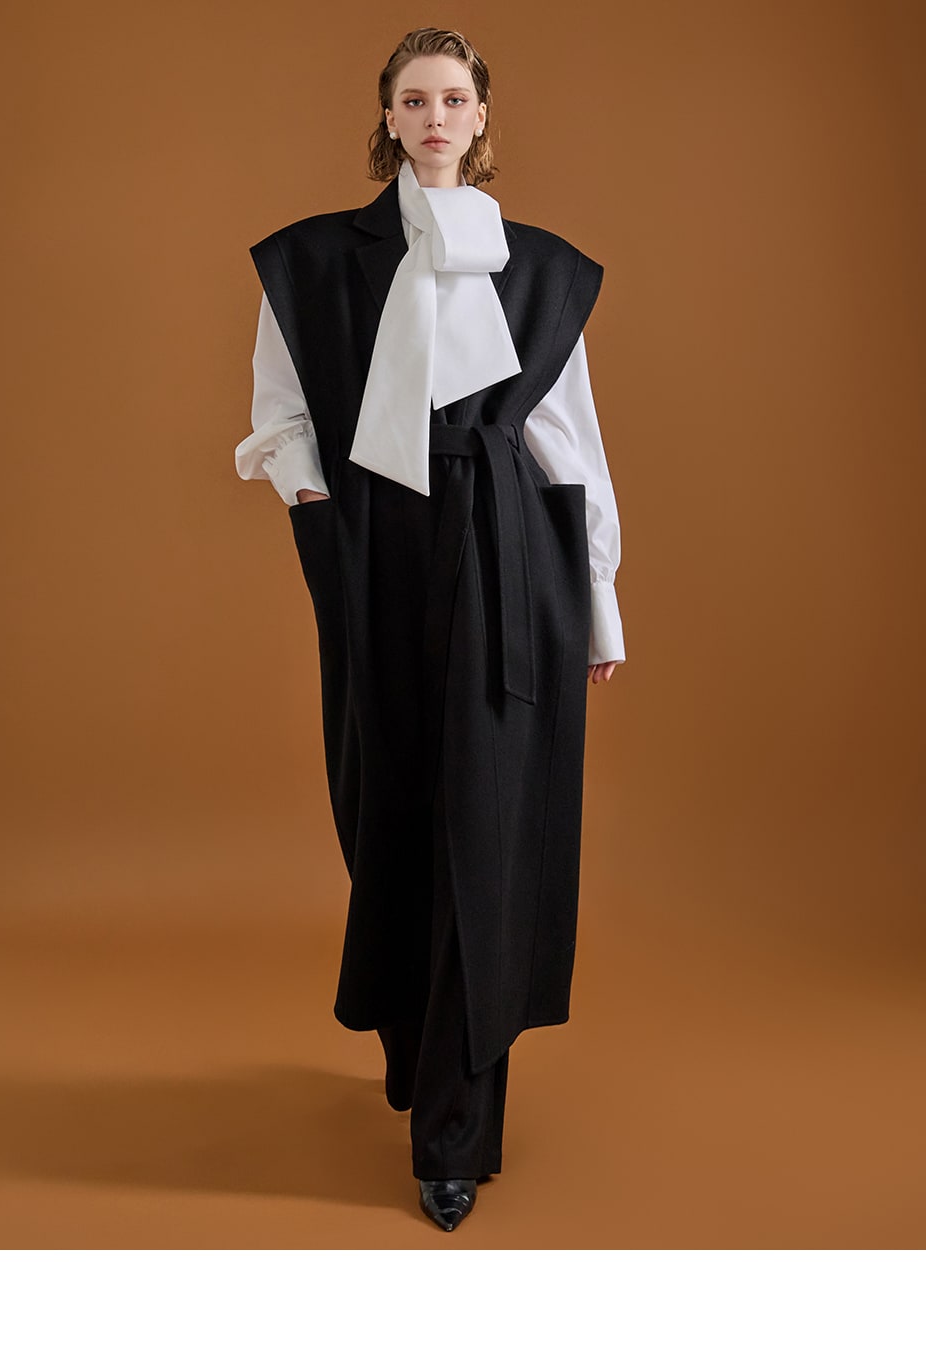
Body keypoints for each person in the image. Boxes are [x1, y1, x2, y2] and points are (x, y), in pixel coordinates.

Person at [234, 26, 626, 1233]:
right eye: (416, 99)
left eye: (455, 97)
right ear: (389, 116)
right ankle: (416, 1057)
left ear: (481, 114)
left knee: (484, 828)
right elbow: (280, 414)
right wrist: (319, 511)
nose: (437, 116)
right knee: (388, 811)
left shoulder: (540, 269)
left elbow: (568, 442)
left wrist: (597, 598)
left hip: (507, 549)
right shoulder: (314, 261)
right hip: (374, 548)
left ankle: (453, 1133)